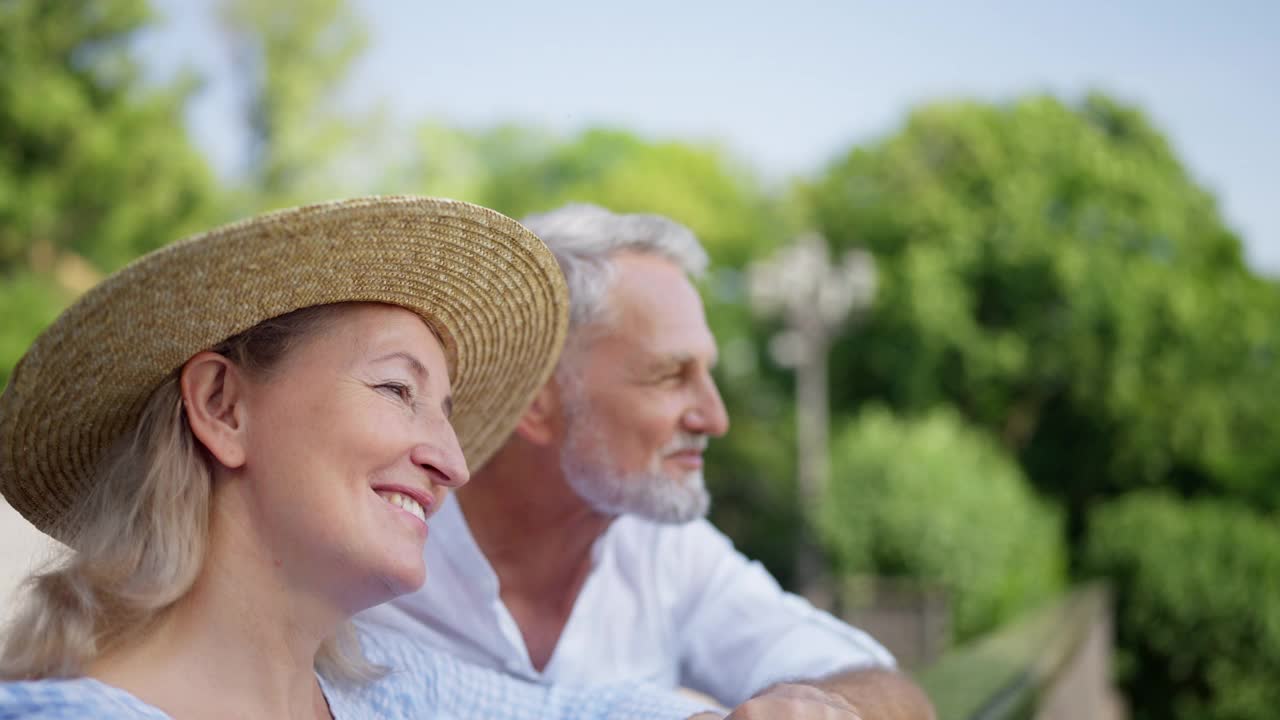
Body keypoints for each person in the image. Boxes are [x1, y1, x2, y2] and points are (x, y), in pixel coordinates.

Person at [0, 197, 720, 719]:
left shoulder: (390, 692)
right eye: (398, 388)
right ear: (223, 405)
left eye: (445, 411)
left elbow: (581, 714)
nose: (453, 463)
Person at [363, 203, 936, 719]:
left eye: (706, 375)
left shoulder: (664, 548)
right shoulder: (366, 546)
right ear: (535, 398)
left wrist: (823, 712)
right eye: (671, 376)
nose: (715, 418)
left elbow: (890, 690)